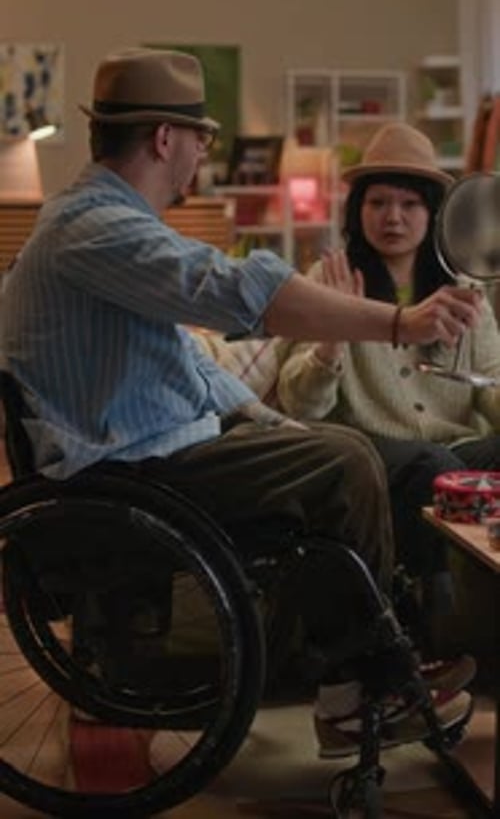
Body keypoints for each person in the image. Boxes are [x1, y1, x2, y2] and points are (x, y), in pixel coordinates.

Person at [0, 52, 478, 759]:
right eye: (201, 139)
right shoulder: (96, 229)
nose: (201, 154)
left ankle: (369, 661)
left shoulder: (103, 223)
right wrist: (400, 323)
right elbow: (235, 290)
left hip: (145, 453)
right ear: (166, 138)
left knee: (332, 451)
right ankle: (359, 687)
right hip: (128, 470)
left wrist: (273, 421)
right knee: (343, 462)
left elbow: (189, 362)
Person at [277, 121, 500, 656]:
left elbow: (491, 383)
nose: (393, 217)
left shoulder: (466, 290)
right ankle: (433, 608)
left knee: (451, 460)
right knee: (431, 463)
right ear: (359, 211)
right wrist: (332, 337)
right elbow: (297, 402)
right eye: (377, 202)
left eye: (409, 204)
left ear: (433, 213)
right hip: (373, 456)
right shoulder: (324, 278)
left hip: (453, 452)